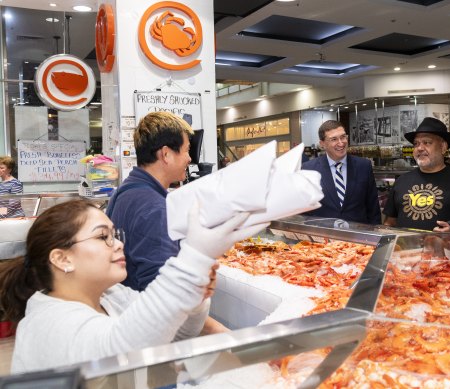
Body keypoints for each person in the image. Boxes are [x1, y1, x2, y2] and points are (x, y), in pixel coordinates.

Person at [0, 198, 266, 373]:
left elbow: (174, 336)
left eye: (114, 235)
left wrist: (195, 301)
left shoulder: (112, 295)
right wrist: (193, 257)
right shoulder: (48, 323)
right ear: (62, 259)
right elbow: (121, 351)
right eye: (102, 236)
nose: (118, 244)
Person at [107, 112, 226, 333]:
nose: (190, 159)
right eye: (187, 150)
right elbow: (164, 297)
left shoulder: (124, 192)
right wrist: (227, 337)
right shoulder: (154, 208)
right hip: (151, 333)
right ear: (166, 154)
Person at [383, 117, 450, 232]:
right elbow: (390, 222)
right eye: (416, 144)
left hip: (446, 249)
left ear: (443, 147)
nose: (420, 148)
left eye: (427, 142)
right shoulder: (401, 181)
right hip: (405, 249)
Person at [301, 120, 381, 224]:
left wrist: (375, 235)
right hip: (323, 235)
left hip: (358, 235)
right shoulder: (309, 169)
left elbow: (373, 207)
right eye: (334, 139)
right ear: (322, 144)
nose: (341, 143)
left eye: (343, 137)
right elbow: (304, 209)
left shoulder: (363, 166)